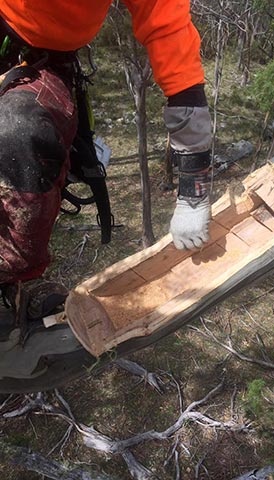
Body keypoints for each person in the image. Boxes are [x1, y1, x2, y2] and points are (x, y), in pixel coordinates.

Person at [0, 1, 212, 318]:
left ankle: (14, 284)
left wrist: (194, 189)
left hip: (39, 59)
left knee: (19, 131)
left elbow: (169, 29)